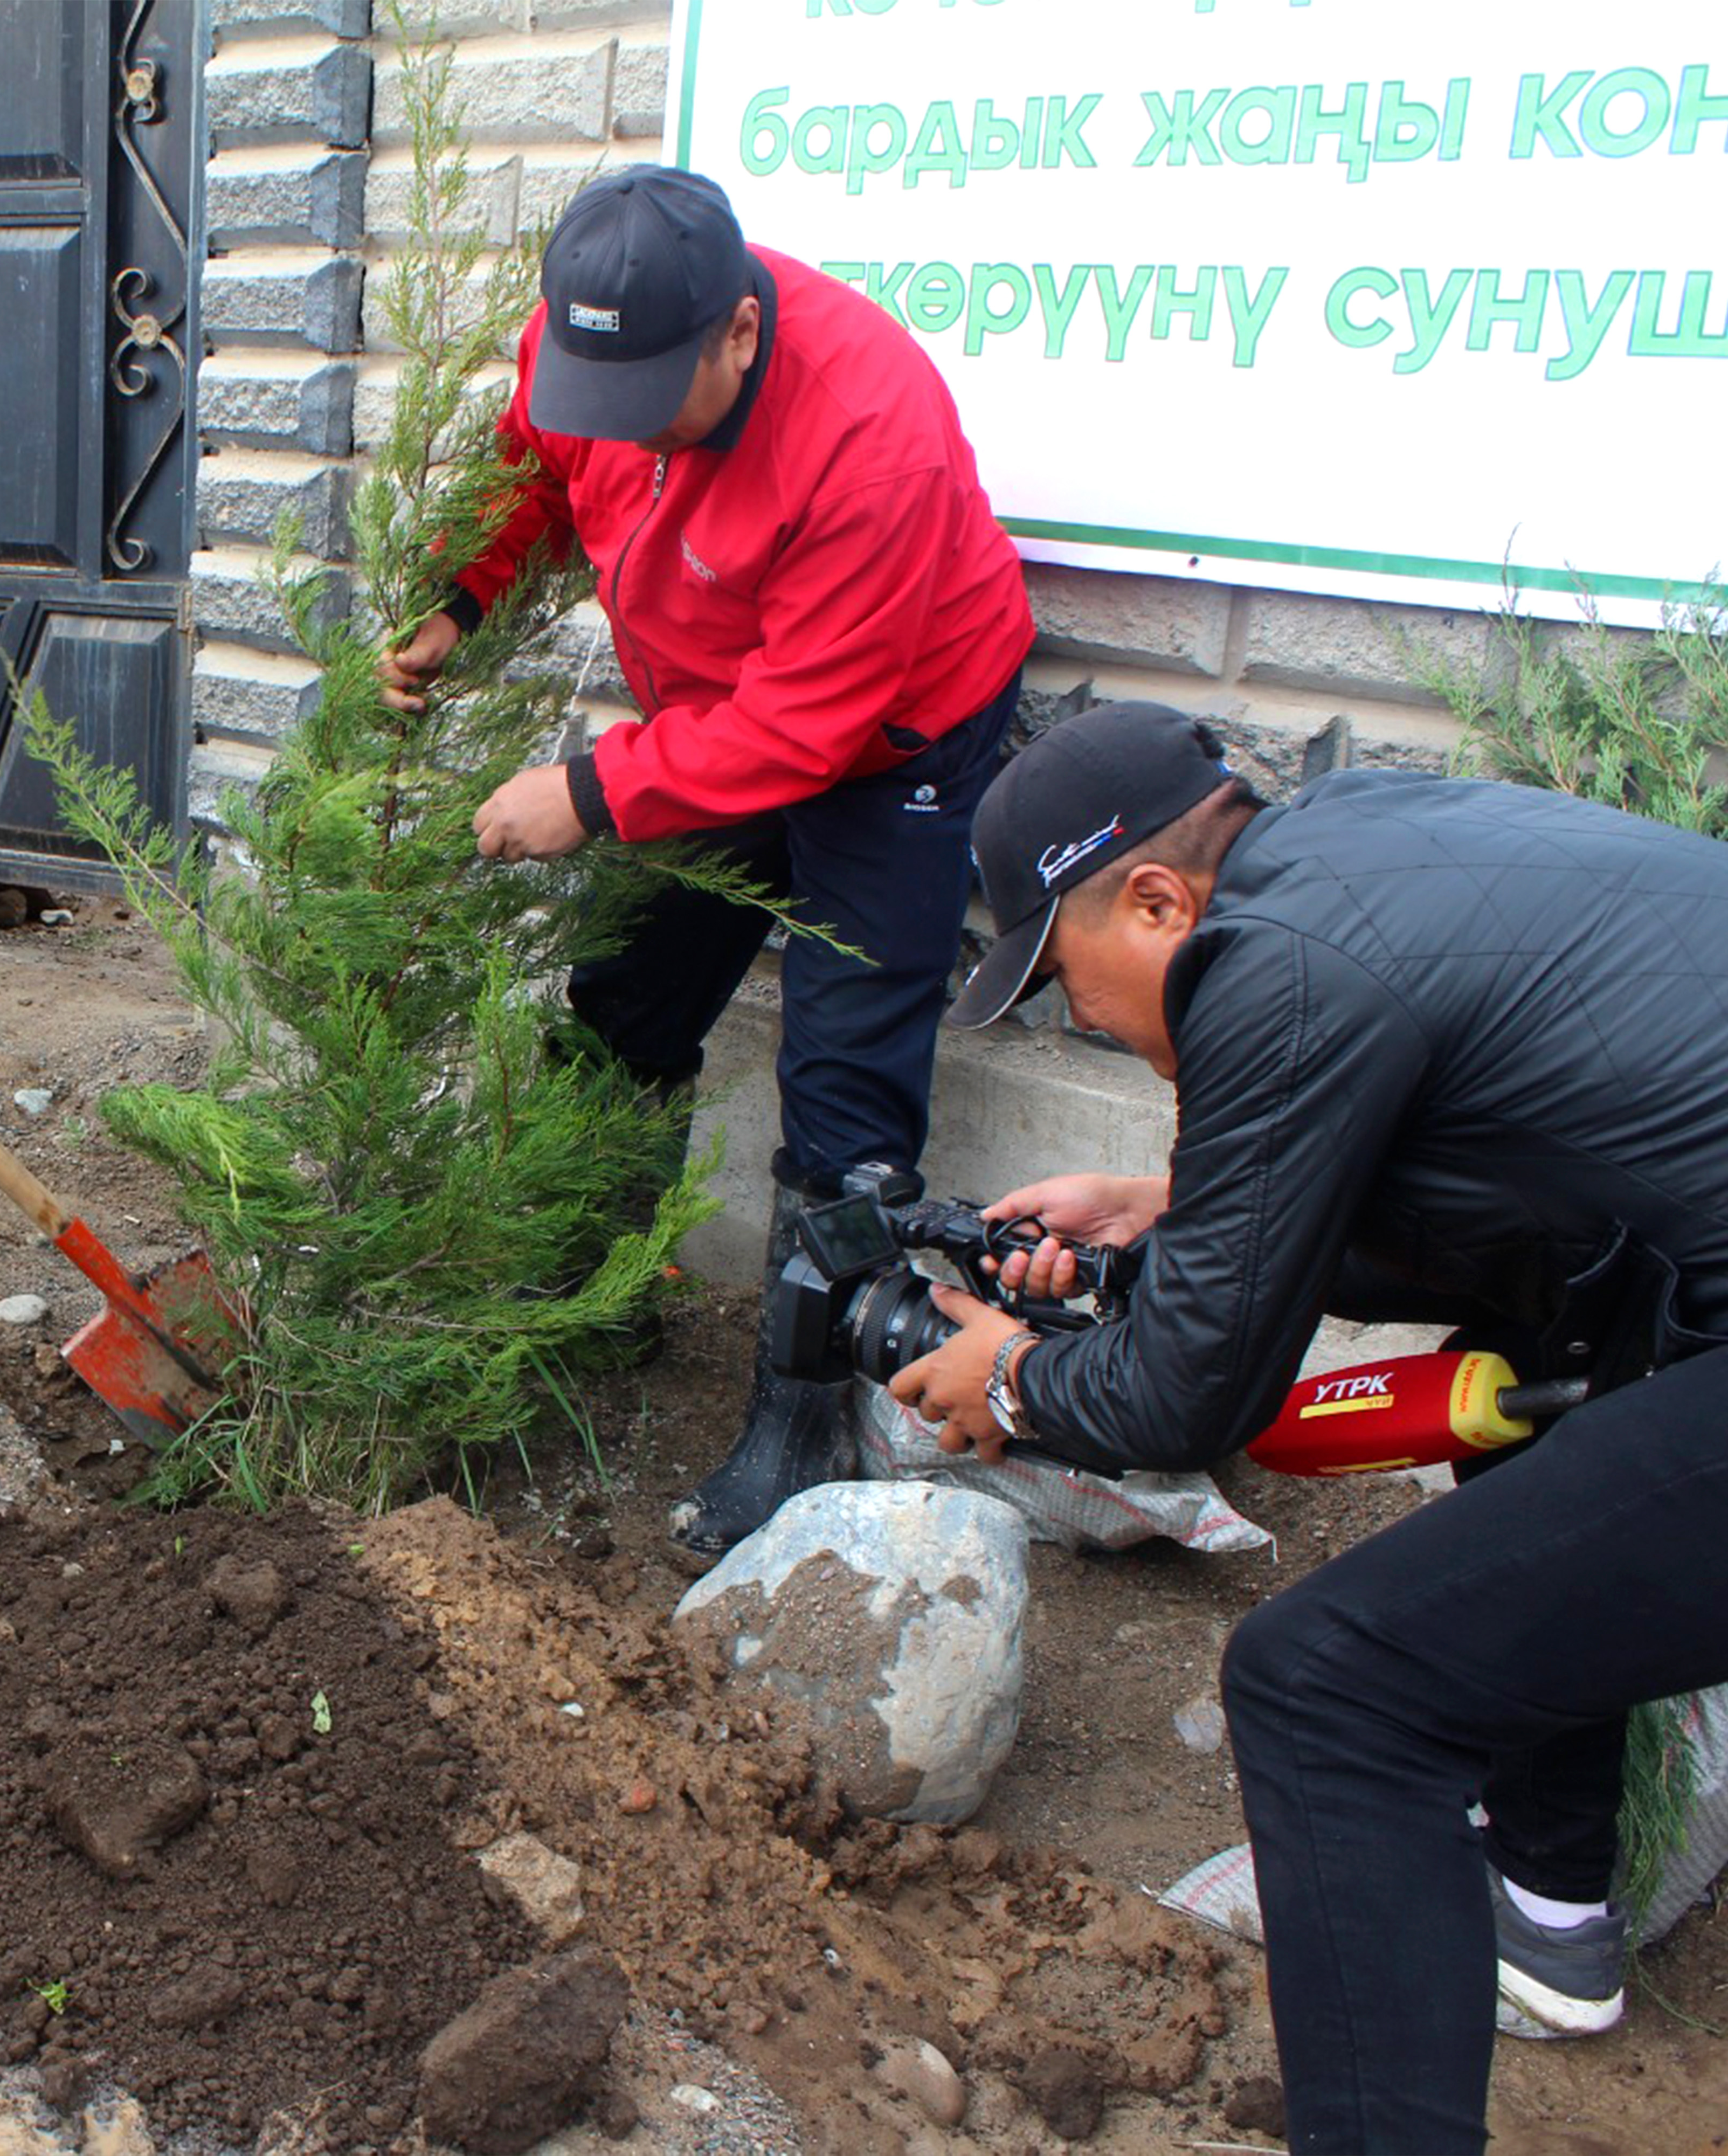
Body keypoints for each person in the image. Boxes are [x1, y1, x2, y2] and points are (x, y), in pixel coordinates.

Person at [886, 699, 1728, 2153]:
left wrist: (1015, 1382)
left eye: (1061, 980)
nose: (1076, 1018)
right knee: (1526, 1378)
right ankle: (1547, 1917)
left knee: (1325, 1687)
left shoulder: (1271, 964)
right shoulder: (1350, 845)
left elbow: (1180, 1397)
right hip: (1672, 1270)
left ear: (1157, 899)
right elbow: (1476, 1221)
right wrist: (1165, 1219)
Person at [381, 164, 1037, 1556]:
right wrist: (459, 596)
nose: (625, 430)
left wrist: (587, 788)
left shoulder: (874, 430)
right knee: (628, 989)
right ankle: (599, 1291)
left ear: (741, 332)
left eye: (652, 401)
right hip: (709, 715)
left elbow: (809, 726)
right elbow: (533, 467)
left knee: (847, 1080)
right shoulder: (597, 343)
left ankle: (801, 1427)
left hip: (894, 736)